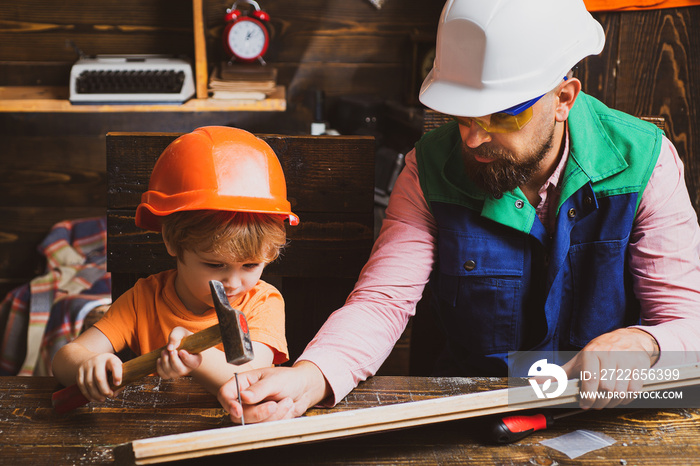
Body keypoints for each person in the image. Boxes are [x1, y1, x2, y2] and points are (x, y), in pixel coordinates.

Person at [218, 0, 700, 422]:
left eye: (502, 115)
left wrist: (645, 346)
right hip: (470, 411)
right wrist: (310, 377)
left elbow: (687, 323)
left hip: (611, 415)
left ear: (563, 99)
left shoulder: (647, 164)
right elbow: (383, 301)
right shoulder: (428, 168)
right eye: (463, 115)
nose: (473, 138)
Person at [52, 126, 298, 403]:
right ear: (172, 243)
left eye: (251, 265)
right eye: (215, 265)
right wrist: (87, 367)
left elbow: (253, 382)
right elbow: (63, 360)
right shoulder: (144, 299)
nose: (233, 282)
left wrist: (196, 357)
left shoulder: (262, 303)